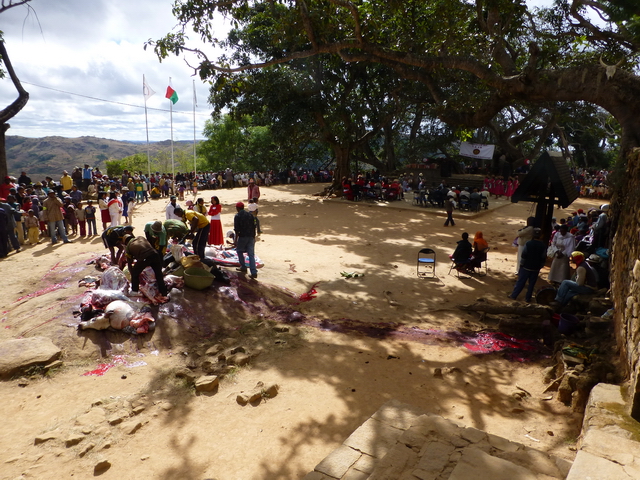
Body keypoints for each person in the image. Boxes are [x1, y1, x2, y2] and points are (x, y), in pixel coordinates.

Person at [123, 234, 169, 300]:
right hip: (155, 254)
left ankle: (134, 291)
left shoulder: (128, 246)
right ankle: (163, 292)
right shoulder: (141, 237)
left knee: (135, 273)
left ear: (126, 242)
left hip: (145, 257)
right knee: (158, 274)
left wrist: (132, 274)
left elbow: (129, 263)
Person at [509, 228, 546, 302]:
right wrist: (540, 266)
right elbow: (543, 257)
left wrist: (522, 265)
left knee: (520, 282)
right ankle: (527, 298)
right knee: (531, 284)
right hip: (535, 268)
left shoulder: (528, 243)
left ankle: (514, 296)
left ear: (533, 235)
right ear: (540, 235)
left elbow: (524, 255)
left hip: (526, 267)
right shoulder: (543, 245)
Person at [234, 202, 258, 278]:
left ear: (237, 208)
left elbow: (237, 230)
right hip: (251, 236)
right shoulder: (250, 215)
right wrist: (254, 237)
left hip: (243, 236)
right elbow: (254, 226)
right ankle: (254, 272)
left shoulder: (237, 216)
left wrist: (235, 240)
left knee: (239, 251)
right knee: (251, 254)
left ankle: (243, 267)